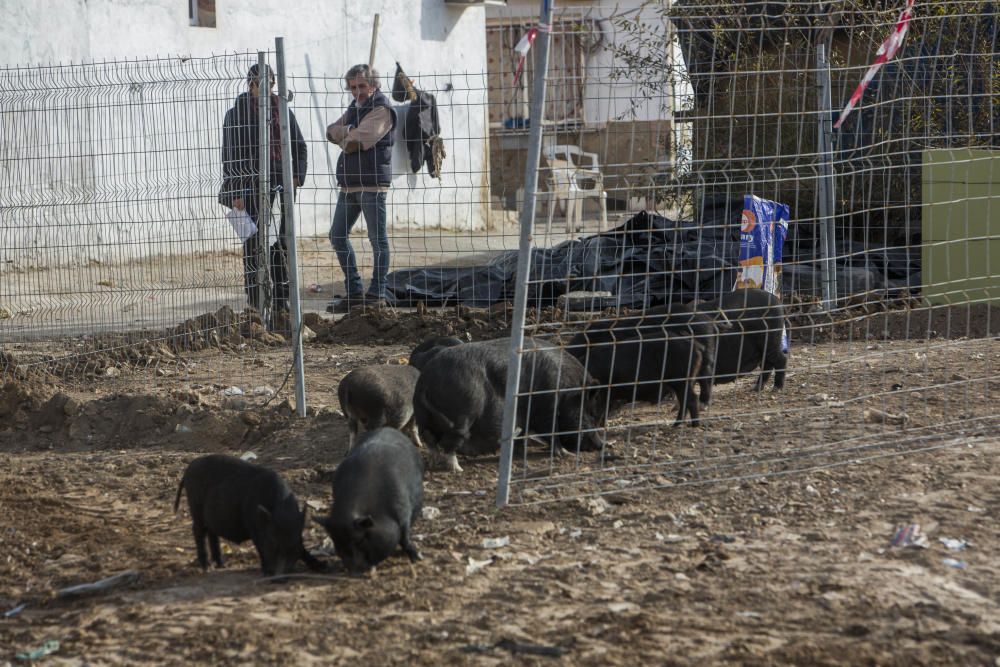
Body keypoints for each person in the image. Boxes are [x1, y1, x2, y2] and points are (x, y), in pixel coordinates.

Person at [219, 64, 307, 319]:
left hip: (280, 187)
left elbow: (299, 146)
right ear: (251, 85)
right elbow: (230, 157)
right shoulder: (237, 115)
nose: (267, 89)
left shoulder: (282, 111)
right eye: (262, 84)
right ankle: (256, 300)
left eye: (271, 84)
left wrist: (296, 178)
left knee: (281, 242)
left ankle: (280, 300)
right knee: (254, 243)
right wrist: (236, 192)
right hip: (249, 187)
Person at [326, 64, 397, 313]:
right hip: (349, 185)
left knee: (377, 240)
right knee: (337, 235)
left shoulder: (382, 110)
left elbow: (355, 143)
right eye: (353, 87)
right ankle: (355, 292)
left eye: (362, 86)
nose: (357, 92)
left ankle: (377, 293)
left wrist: (345, 135)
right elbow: (330, 131)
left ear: (374, 85)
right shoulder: (354, 108)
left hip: (372, 184)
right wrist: (347, 131)